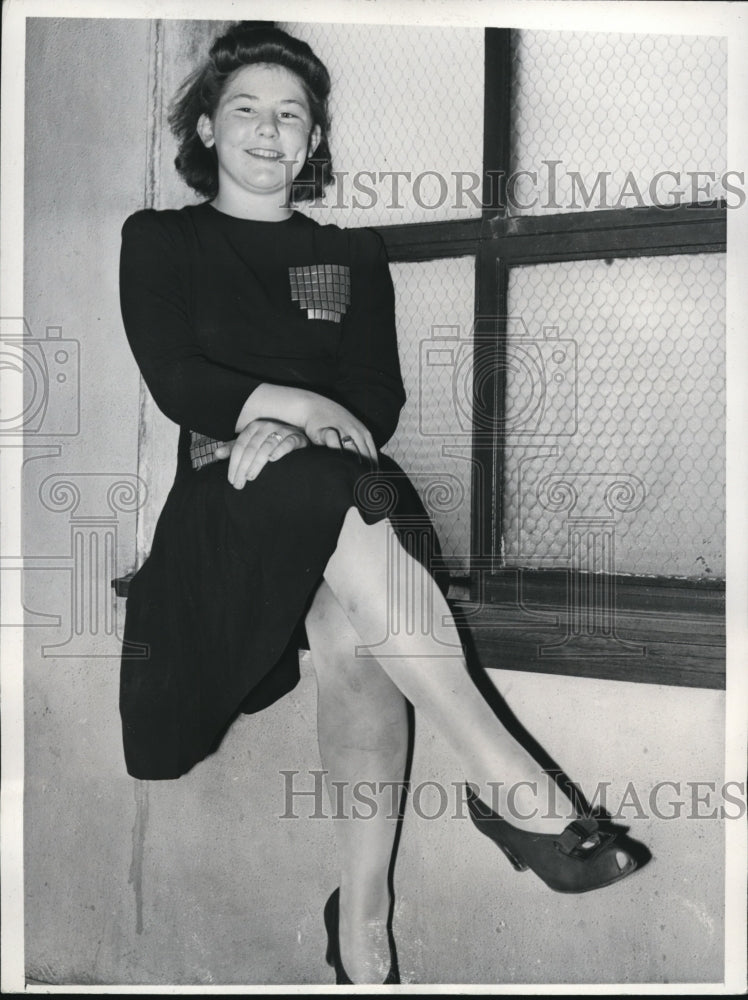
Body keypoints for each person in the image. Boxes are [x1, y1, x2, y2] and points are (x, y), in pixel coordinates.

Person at [119, 21, 640, 986]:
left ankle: (365, 934)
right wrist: (293, 409)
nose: (270, 131)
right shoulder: (163, 239)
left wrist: (303, 427)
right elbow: (178, 378)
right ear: (204, 127)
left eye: (293, 116)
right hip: (222, 503)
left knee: (358, 639)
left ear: (315, 141)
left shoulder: (347, 256)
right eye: (246, 111)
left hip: (339, 496)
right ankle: (511, 787)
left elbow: (378, 398)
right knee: (322, 478)